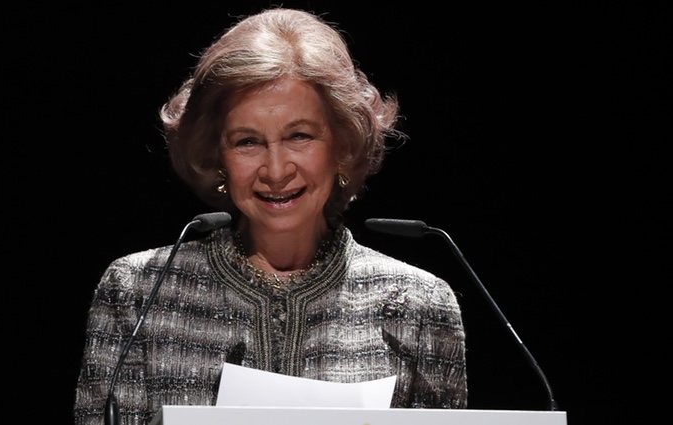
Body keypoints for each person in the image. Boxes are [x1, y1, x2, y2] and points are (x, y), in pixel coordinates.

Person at [74, 7, 467, 424]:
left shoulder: (419, 306)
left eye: (299, 136)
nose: (276, 170)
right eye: (247, 142)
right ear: (216, 156)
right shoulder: (138, 291)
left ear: (343, 145)